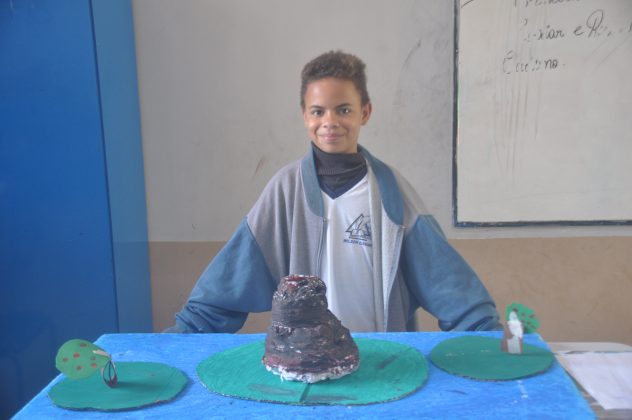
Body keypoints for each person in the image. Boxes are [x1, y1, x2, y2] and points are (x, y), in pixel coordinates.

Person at [165, 50, 500, 333]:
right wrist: (179, 338)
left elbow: (446, 280)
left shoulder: (391, 192)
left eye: (343, 109)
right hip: (304, 365)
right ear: (304, 115)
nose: (330, 121)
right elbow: (227, 284)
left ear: (365, 112)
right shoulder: (285, 190)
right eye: (318, 111)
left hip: (379, 363)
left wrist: (486, 333)